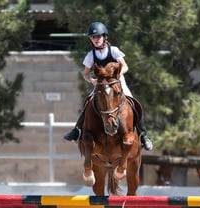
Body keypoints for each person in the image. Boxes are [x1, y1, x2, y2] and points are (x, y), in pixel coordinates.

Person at [64, 22, 153, 151]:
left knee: (134, 103)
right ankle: (76, 131)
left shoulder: (114, 50)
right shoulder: (91, 55)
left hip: (117, 83)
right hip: (100, 85)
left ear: (104, 37)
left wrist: (117, 75)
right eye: (93, 38)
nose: (96, 40)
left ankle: (144, 135)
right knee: (87, 103)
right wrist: (92, 81)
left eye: (98, 37)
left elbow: (126, 66)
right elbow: (85, 74)